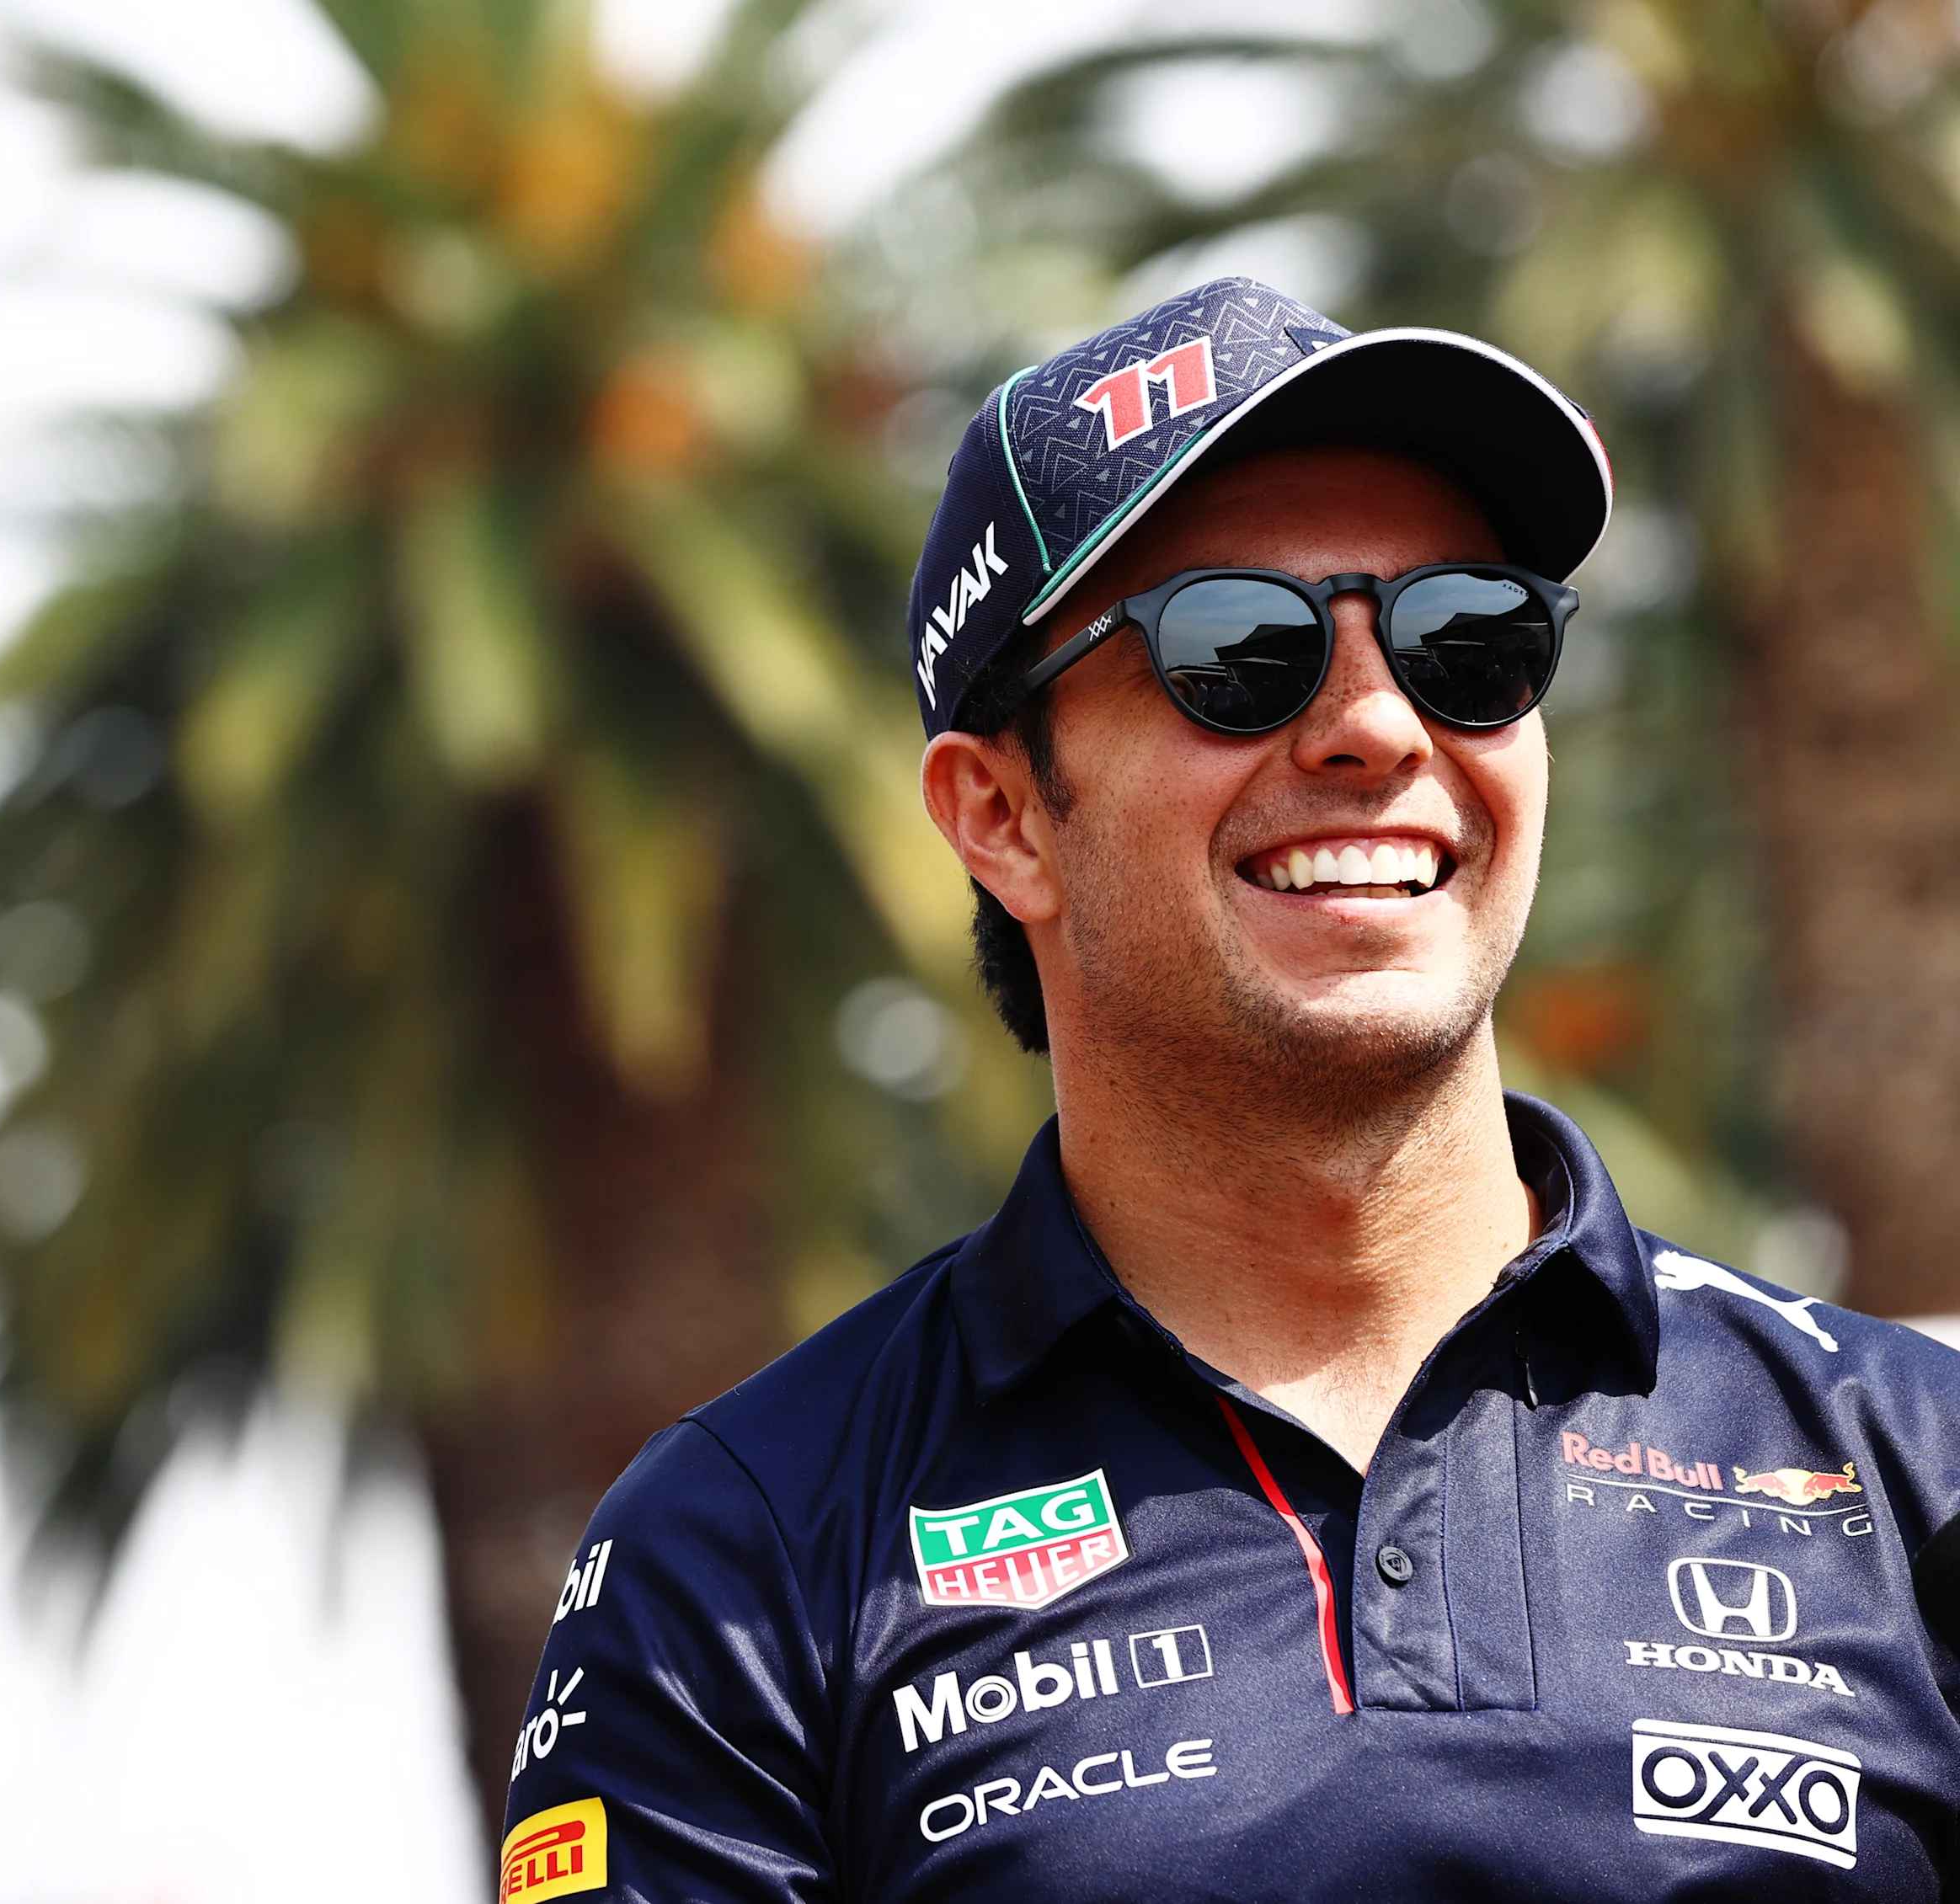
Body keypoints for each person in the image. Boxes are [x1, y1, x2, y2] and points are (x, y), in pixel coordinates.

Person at [493, 276, 1960, 1901]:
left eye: (1468, 636)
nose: (1379, 725)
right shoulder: (750, 1544)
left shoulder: (1914, 1465)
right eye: (1238, 647)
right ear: (1001, 816)